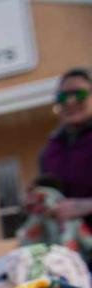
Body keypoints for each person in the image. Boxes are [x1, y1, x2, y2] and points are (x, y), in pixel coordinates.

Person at [39, 68, 92, 265]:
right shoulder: (51, 148)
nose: (70, 102)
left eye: (79, 94)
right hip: (70, 256)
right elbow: (50, 191)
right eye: (63, 96)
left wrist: (86, 206)